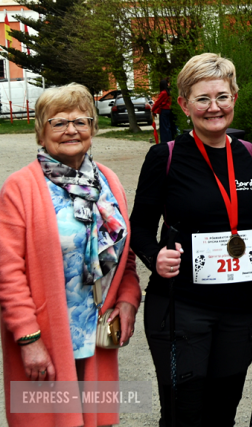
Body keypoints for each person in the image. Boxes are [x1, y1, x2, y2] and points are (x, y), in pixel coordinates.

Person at [130, 53, 252, 426]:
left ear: (234, 97)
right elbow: (138, 227)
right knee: (183, 413)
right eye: (202, 99)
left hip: (238, 308)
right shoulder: (165, 157)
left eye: (222, 96)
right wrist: (155, 256)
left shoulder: (249, 154)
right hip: (181, 307)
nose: (213, 107)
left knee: (223, 412)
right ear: (185, 105)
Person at [0, 83, 142, 426]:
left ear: (93, 128)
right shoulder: (21, 188)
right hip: (44, 340)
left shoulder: (107, 181)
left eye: (81, 121)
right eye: (58, 122)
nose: (71, 130)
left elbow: (125, 256)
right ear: (40, 130)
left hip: (96, 337)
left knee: (97, 421)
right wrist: (28, 339)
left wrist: (127, 299)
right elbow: (8, 272)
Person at [151, 78, 177, 143]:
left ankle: (165, 141)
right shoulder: (170, 92)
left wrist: (153, 110)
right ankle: (171, 139)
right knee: (169, 126)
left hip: (164, 110)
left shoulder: (163, 93)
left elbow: (158, 102)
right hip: (170, 110)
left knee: (164, 127)